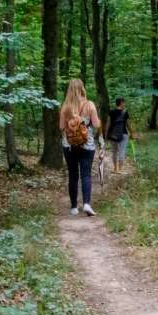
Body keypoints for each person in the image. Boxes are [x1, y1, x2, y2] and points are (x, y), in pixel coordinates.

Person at [59, 78, 101, 216]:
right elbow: (96, 125)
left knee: (73, 175)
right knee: (86, 174)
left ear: (69, 90)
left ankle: (73, 207)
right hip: (87, 145)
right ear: (82, 88)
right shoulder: (90, 105)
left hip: (69, 145)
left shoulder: (65, 107)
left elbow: (61, 127)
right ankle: (87, 204)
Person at [106, 97, 133, 173]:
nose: (124, 104)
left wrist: (106, 134)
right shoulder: (125, 112)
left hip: (112, 135)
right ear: (121, 103)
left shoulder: (111, 112)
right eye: (124, 102)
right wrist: (132, 133)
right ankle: (120, 169)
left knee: (114, 152)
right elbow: (128, 124)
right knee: (122, 151)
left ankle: (115, 168)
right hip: (123, 134)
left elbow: (108, 123)